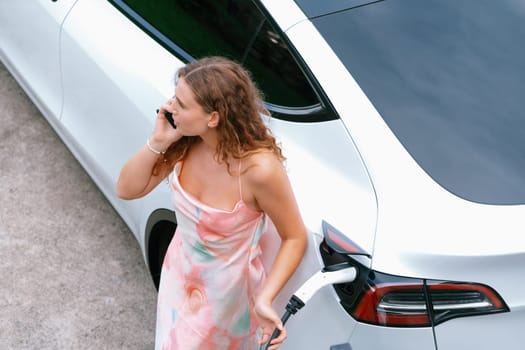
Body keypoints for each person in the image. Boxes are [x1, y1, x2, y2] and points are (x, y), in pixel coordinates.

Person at [116, 56, 307, 350]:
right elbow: (127, 189)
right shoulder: (187, 141)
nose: (169, 107)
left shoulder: (259, 170)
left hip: (225, 300)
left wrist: (266, 298)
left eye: (181, 103)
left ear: (213, 118)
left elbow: (295, 237)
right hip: (178, 276)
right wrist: (158, 140)